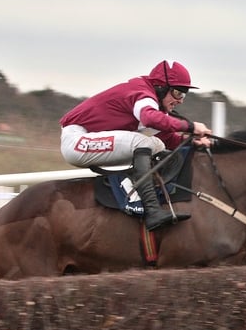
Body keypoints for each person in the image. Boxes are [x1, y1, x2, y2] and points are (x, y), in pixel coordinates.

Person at [59, 60, 213, 231]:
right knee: (142, 142)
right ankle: (152, 211)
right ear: (161, 87)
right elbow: (150, 118)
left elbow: (167, 138)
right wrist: (190, 126)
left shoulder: (152, 101)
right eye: (178, 93)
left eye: (184, 95)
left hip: (90, 139)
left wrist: (194, 142)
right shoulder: (143, 94)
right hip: (77, 141)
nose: (180, 100)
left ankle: (140, 196)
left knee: (157, 144)